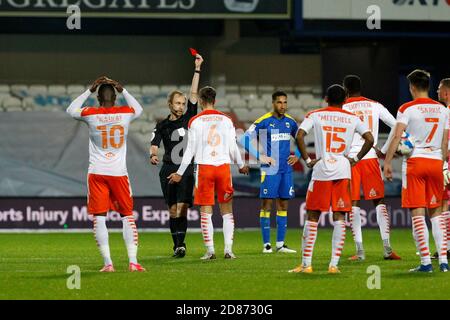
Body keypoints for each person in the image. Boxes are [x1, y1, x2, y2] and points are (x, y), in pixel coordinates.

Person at [290, 84, 374, 274]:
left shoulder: (316, 114)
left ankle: (306, 265)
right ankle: (334, 265)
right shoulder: (352, 118)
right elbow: (370, 139)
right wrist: (355, 158)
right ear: (345, 101)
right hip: (343, 170)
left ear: (326, 98)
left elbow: (300, 135)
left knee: (312, 216)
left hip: (321, 170)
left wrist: (308, 160)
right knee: (340, 216)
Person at [66, 76, 145, 272]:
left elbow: (70, 110)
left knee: (99, 217)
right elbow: (140, 109)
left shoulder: (91, 113)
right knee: (127, 215)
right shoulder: (125, 113)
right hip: (118, 173)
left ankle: (108, 263)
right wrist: (124, 89)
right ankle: (133, 262)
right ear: (116, 98)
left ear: (98, 97)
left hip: (97, 172)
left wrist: (88, 90)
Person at [168, 86, 249, 260]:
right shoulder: (226, 120)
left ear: (202, 101)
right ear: (215, 101)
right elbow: (232, 146)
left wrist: (180, 173)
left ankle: (210, 250)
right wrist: (241, 164)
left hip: (204, 168)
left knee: (206, 211)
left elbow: (190, 150)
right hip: (223, 168)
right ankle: (228, 250)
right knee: (227, 210)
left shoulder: (195, 121)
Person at [384, 70, 449, 272]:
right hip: (436, 162)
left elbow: (397, 137)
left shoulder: (406, 108)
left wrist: (387, 162)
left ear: (411, 86)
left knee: (418, 213)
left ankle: (426, 263)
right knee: (437, 213)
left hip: (415, 163)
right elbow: (445, 141)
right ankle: (444, 262)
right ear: (428, 86)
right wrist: (443, 162)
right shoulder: (442, 109)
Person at [150, 53, 204, 258]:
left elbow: (193, 92)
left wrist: (197, 69)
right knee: (173, 209)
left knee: (182, 207)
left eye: (183, 103)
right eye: (178, 103)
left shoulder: (190, 117)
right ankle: (177, 245)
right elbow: (154, 143)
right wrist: (153, 155)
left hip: (186, 169)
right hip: (168, 169)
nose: (181, 106)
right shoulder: (162, 125)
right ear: (170, 104)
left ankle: (181, 244)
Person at [342, 75, 401, 261]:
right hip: (370, 158)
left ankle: (360, 252)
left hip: (350, 160)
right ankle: (387, 249)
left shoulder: (342, 108)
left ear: (345, 89)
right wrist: (382, 150)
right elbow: (396, 125)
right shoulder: (375, 105)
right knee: (379, 201)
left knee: (353, 203)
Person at [241, 91, 299, 254]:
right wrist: (260, 156)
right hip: (270, 170)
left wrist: (298, 156)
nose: (283, 105)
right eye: (279, 102)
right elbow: (244, 138)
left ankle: (280, 244)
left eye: (285, 102)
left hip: (286, 170)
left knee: (283, 204)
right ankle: (266, 244)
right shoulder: (264, 121)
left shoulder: (290, 122)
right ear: (273, 103)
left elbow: (300, 139)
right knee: (266, 205)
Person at [434, 78, 450, 260]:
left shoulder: (446, 113)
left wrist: (444, 164)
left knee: (442, 204)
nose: (437, 91)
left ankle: (445, 248)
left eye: (439, 89)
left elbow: (446, 141)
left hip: (447, 161)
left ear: (446, 93)